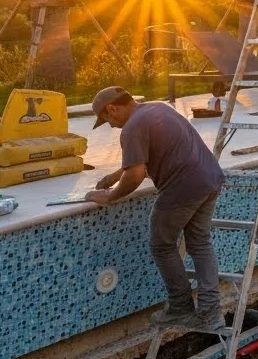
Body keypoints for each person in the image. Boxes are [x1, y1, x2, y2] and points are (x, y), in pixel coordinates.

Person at [85, 87, 227, 329]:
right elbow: (145, 156)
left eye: (107, 120)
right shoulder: (158, 108)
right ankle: (210, 312)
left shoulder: (132, 127)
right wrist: (114, 176)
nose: (111, 125)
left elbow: (136, 174)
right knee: (200, 243)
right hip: (210, 179)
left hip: (182, 188)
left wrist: (110, 196)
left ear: (111, 108)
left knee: (162, 246)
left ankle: (180, 307)